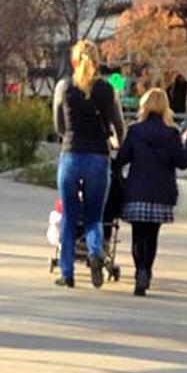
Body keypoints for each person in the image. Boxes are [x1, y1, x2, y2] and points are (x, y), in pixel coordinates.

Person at [51, 39, 126, 288]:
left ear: (74, 61)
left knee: (70, 217)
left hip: (71, 155)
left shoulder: (64, 87)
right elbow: (119, 125)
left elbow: (58, 125)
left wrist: (69, 136)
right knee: (95, 216)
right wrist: (118, 145)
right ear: (97, 61)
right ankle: (95, 253)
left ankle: (67, 272)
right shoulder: (107, 90)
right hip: (98, 157)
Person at [115, 87, 187, 296]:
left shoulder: (134, 131)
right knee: (152, 236)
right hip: (161, 193)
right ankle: (146, 270)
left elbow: (121, 160)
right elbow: (183, 162)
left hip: (137, 191)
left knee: (137, 236)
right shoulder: (171, 134)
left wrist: (121, 179)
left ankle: (138, 270)